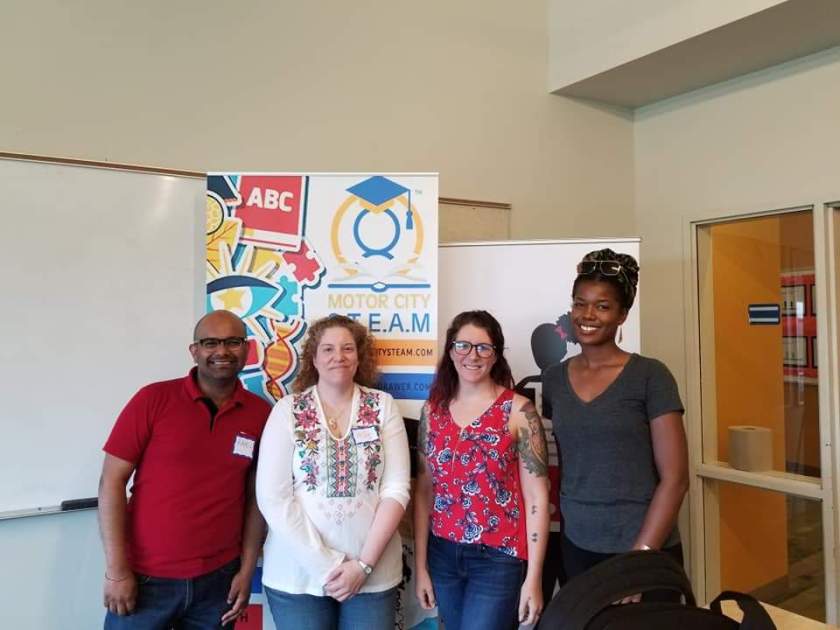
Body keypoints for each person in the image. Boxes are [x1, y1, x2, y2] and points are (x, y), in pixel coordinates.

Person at [98, 310, 271, 628]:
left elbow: (255, 499)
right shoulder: (153, 400)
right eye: (210, 343)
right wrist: (117, 571)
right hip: (146, 579)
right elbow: (111, 482)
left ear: (247, 349)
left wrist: (247, 571)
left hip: (219, 582)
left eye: (233, 342)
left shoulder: (260, 413)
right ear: (194, 351)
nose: (222, 351)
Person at [542, 249, 689, 596]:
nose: (587, 315)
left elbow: (676, 479)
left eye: (602, 306)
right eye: (580, 304)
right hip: (578, 546)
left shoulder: (650, 375)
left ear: (623, 314)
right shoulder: (554, 379)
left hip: (644, 550)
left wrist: (639, 559)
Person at [256, 314, 410, 630]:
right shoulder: (287, 410)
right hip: (296, 577)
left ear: (359, 356)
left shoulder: (383, 406)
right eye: (327, 349)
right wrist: (329, 567)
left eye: (347, 348)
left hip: (373, 575)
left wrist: (363, 566)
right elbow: (273, 497)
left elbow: (396, 489)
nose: (338, 356)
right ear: (313, 359)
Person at [414, 310, 550, 630]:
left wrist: (533, 578)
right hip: (443, 555)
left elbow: (537, 498)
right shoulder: (432, 411)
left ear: (496, 354)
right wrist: (420, 567)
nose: (472, 356)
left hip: (498, 559)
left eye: (483, 348)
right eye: (462, 346)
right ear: (450, 351)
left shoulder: (519, 411)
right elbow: (424, 491)